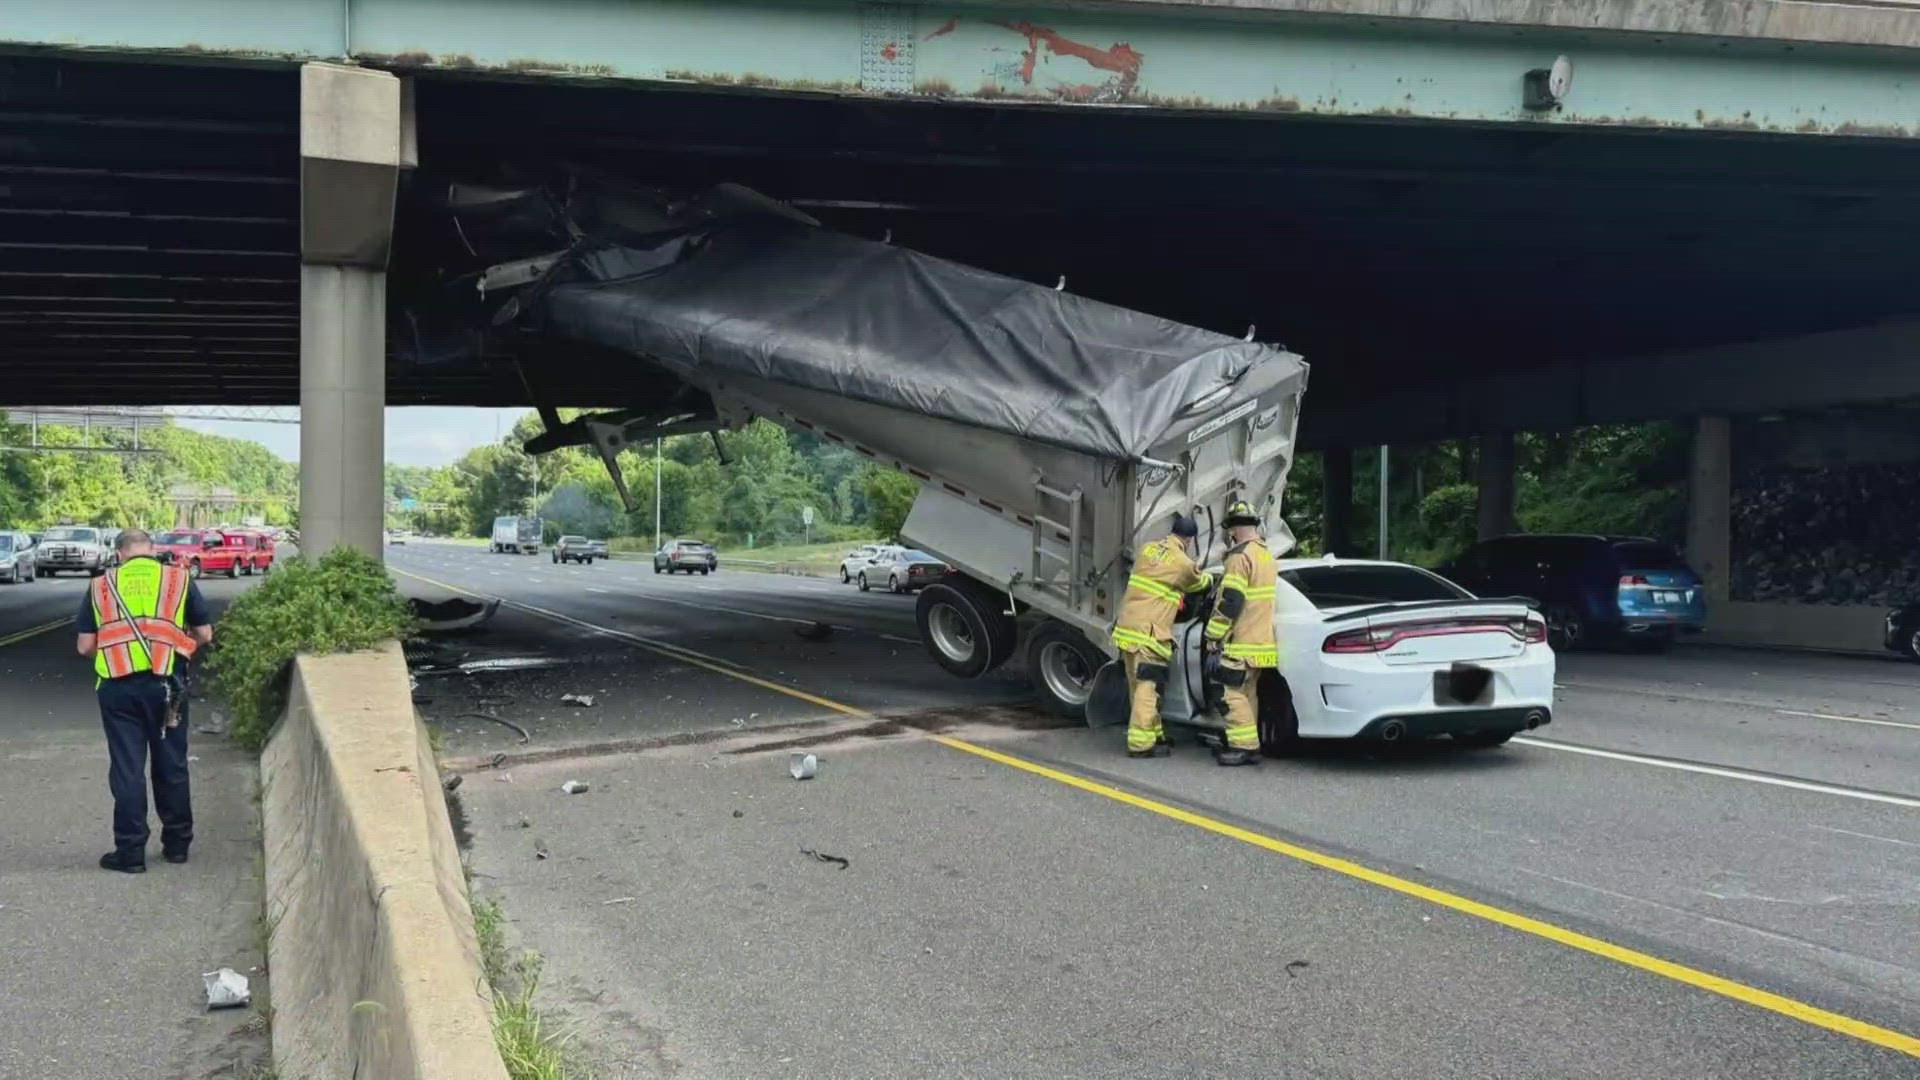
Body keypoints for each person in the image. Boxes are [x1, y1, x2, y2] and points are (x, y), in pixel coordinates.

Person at [74, 529, 213, 873]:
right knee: (172, 765)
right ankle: (177, 846)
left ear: (120, 553)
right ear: (152, 550)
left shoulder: (101, 586)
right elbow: (205, 633)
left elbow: (84, 646)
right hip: (169, 687)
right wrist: (180, 650)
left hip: (119, 690)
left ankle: (131, 853)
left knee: (127, 770)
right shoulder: (178, 580)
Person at [1110, 513, 1211, 758]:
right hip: (1150, 635)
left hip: (1127, 629)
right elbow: (1201, 584)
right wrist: (1206, 576)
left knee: (1138, 685)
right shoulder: (1183, 563)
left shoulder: (1146, 550)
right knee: (1148, 687)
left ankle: (1154, 734)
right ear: (1189, 540)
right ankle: (1141, 744)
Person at [1204, 500, 1278, 766]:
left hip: (1240, 643)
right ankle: (1249, 742)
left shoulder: (1239, 557)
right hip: (1261, 644)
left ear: (1233, 530)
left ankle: (1243, 746)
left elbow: (1230, 602)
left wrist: (1213, 636)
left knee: (1227, 693)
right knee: (1247, 695)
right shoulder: (1266, 555)